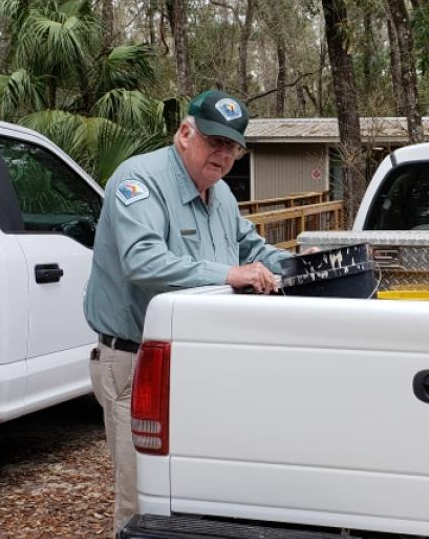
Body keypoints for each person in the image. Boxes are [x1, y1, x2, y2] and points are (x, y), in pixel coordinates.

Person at [84, 90, 292, 534]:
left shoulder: (220, 196)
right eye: (214, 141)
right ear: (185, 133)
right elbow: (142, 260)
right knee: (143, 499)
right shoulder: (139, 181)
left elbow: (253, 248)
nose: (223, 154)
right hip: (136, 361)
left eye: (232, 146)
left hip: (202, 362)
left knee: (197, 490)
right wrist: (230, 274)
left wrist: (303, 264)